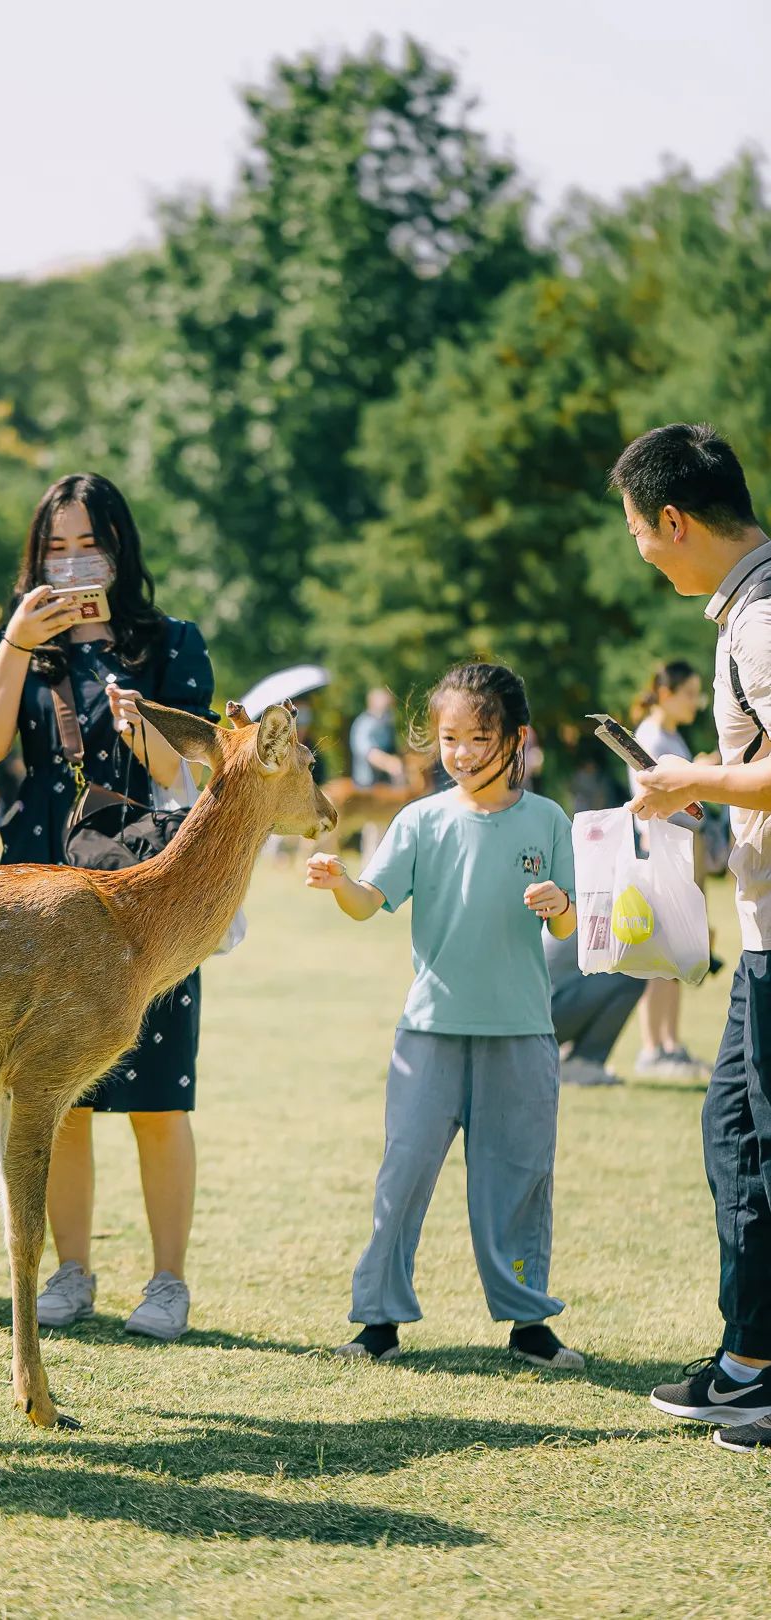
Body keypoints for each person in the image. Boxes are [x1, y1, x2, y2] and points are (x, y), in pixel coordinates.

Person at [0, 472, 215, 1343]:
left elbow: (182, 771)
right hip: (38, 888)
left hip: (145, 896)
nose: (73, 563)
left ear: (120, 548)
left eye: (90, 544)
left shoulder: (171, 641)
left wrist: (138, 719)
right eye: (57, 547)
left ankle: (168, 1283)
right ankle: (70, 1272)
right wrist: (13, 642)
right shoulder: (24, 645)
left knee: (159, 1097)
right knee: (52, 1091)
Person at [306, 661, 585, 1370]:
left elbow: (570, 926)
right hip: (428, 1032)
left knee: (520, 1181)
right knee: (402, 1174)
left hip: (521, 1032)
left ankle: (529, 1323)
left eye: (478, 738)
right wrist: (341, 883)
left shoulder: (549, 821)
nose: (460, 753)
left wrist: (560, 905)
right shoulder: (420, 820)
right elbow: (369, 903)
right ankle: (377, 1322)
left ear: (517, 738)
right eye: (449, 738)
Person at [615, 422, 771, 1452]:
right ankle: (751, 1363)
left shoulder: (762, 617)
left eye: (636, 529)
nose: (639, 550)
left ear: (672, 520)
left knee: (757, 1143)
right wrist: (709, 793)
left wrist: (688, 779)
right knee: (737, 1137)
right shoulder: (746, 611)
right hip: (761, 930)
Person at [626, 661, 714, 1079]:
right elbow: (655, 797)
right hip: (661, 852)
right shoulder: (650, 736)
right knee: (659, 953)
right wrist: (700, 773)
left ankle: (670, 1044)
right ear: (666, 694)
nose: (696, 703)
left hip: (681, 852)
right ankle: (652, 1047)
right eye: (689, 694)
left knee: (677, 953)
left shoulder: (672, 736)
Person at [547, 930, 640, 1086]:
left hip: (535, 1016)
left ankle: (579, 1061)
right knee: (631, 975)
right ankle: (586, 1061)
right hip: (547, 1016)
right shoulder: (593, 919)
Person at [349, 689, 406, 860]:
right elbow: (369, 753)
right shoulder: (364, 724)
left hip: (385, 787)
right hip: (367, 785)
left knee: (384, 828)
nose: (388, 709)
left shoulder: (386, 724)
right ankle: (369, 866)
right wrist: (390, 764)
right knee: (372, 830)